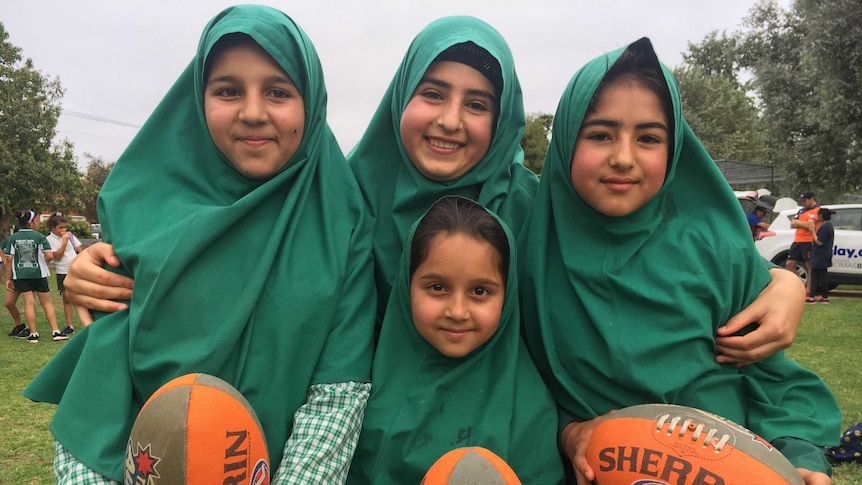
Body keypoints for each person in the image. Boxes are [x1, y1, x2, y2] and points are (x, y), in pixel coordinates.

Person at [64, 15, 808, 367]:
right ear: (398, 100)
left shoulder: (531, 205)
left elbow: (633, 246)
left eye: (478, 103)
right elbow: (244, 244)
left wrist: (781, 278)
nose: (450, 121)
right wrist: (105, 263)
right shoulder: (339, 199)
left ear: (504, 115)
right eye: (431, 94)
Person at [23, 5, 375, 483]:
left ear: (310, 101)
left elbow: (337, 392)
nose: (253, 112)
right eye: (228, 90)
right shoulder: (141, 212)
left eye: (278, 91)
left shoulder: (344, 223)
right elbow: (99, 388)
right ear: (197, 97)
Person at [518, 38, 840, 485]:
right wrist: (568, 433)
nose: (623, 157)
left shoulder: (714, 250)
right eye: (600, 134)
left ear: (675, 152)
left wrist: (800, 455)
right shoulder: (525, 247)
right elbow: (509, 382)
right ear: (567, 137)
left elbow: (771, 377)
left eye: (648, 138)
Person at [347, 196, 564, 484]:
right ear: (406, 286)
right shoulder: (358, 391)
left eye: (480, 291)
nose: (457, 312)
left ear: (508, 296)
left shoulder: (529, 412)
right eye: (437, 287)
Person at [4, 210, 67, 343]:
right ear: (30, 223)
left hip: (20, 274)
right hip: (39, 273)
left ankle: (33, 334)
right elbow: (49, 255)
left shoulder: (12, 238)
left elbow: (9, 260)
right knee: (46, 303)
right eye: (36, 221)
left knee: (29, 303)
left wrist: (8, 278)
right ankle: (55, 332)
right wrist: (43, 262)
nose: (37, 223)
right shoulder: (39, 237)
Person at [46, 212, 93, 334]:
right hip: (62, 270)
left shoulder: (70, 235)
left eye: (64, 227)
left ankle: (89, 321)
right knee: (67, 298)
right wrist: (64, 242)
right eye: (60, 227)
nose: (63, 230)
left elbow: (79, 249)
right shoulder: (49, 239)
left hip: (76, 268)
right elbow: (57, 256)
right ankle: (69, 325)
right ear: (53, 228)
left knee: (82, 295)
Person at [788, 190, 820, 298]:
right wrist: (802, 224)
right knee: (789, 264)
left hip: (808, 240)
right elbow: (792, 224)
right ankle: (798, 286)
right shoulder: (801, 211)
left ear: (811, 199)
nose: (803, 203)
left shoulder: (817, 210)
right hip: (797, 240)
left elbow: (810, 225)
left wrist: (799, 223)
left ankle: (808, 290)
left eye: (805, 200)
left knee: (809, 265)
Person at [2, 227, 26, 338]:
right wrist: (6, 263)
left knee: (29, 302)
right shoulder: (10, 240)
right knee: (9, 303)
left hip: (28, 275)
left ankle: (32, 330)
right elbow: (2, 249)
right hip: (15, 276)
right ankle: (20, 325)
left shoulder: (32, 239)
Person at [810, 208, 834, 304]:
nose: (817, 217)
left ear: (821, 216)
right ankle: (824, 296)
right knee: (822, 275)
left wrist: (812, 231)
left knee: (815, 275)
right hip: (823, 253)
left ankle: (812, 296)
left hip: (821, 254)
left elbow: (819, 241)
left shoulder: (825, 227)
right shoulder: (827, 226)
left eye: (818, 215)